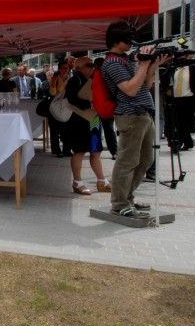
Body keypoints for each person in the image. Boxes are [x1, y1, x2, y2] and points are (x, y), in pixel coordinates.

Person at [102, 20, 169, 217]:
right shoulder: (112, 62)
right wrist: (144, 64)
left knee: (146, 160)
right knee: (127, 160)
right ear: (116, 40)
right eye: (127, 38)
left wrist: (153, 66)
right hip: (130, 114)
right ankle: (119, 203)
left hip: (143, 113)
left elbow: (144, 85)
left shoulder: (128, 59)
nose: (132, 42)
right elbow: (130, 90)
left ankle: (128, 197)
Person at [65, 57, 111, 195]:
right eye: (89, 65)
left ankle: (102, 181)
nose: (92, 67)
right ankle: (77, 182)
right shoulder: (74, 80)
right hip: (79, 121)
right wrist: (90, 104)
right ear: (78, 67)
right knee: (79, 151)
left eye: (92, 64)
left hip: (93, 121)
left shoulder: (94, 78)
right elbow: (71, 99)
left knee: (95, 151)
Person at [94, 57, 118, 159]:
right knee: (109, 130)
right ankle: (114, 152)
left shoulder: (93, 76)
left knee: (95, 129)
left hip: (95, 108)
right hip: (107, 107)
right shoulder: (108, 75)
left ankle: (94, 150)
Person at [49, 61, 72, 157]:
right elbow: (52, 92)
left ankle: (67, 150)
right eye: (63, 68)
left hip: (66, 105)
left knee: (67, 129)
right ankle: (56, 150)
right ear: (59, 69)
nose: (65, 70)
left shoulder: (70, 78)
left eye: (67, 68)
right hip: (54, 105)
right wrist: (54, 82)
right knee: (54, 130)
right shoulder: (55, 78)